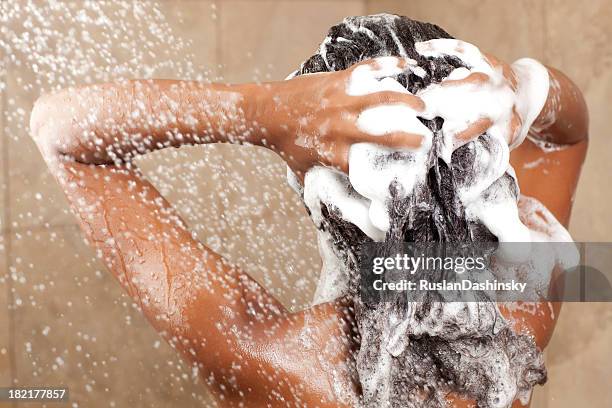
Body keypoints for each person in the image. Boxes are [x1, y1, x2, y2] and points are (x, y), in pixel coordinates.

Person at [29, 15, 587, 407]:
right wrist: (520, 88)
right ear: (484, 153)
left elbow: (59, 133)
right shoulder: (528, 291)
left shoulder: (277, 366)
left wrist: (264, 112)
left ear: (316, 185)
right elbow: (567, 136)